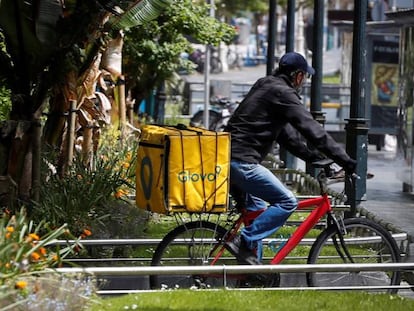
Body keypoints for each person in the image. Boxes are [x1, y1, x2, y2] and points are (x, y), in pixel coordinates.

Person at [224, 51, 357, 265]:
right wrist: (346, 161)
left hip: (229, 158)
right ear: (297, 76)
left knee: (257, 214)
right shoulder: (284, 93)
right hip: (243, 162)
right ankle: (244, 241)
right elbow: (312, 129)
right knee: (287, 202)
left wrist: (319, 159)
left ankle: (250, 274)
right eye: (305, 77)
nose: (304, 82)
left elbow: (289, 139)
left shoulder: (266, 85)